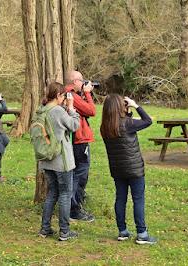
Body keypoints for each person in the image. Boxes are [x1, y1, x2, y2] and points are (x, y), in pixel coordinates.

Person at [100, 94, 157, 245]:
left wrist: (128, 112)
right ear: (120, 107)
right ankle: (142, 234)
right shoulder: (128, 124)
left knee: (120, 198)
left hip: (118, 169)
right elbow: (148, 121)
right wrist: (135, 105)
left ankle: (122, 232)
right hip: (134, 169)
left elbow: (124, 124)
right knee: (138, 199)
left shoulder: (105, 127)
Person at [38, 82, 80, 241]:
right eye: (63, 95)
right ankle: (64, 231)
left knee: (52, 193)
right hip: (61, 161)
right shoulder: (57, 111)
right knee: (64, 194)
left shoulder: (41, 110)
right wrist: (71, 108)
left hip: (46, 159)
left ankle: (45, 228)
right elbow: (74, 125)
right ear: (58, 96)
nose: (64, 98)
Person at [64, 70, 96, 222]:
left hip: (75, 139)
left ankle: (73, 206)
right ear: (74, 81)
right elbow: (91, 110)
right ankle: (74, 209)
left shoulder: (71, 95)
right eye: (81, 81)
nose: (83, 83)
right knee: (80, 175)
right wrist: (88, 94)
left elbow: (85, 113)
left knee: (76, 174)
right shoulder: (72, 96)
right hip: (79, 140)